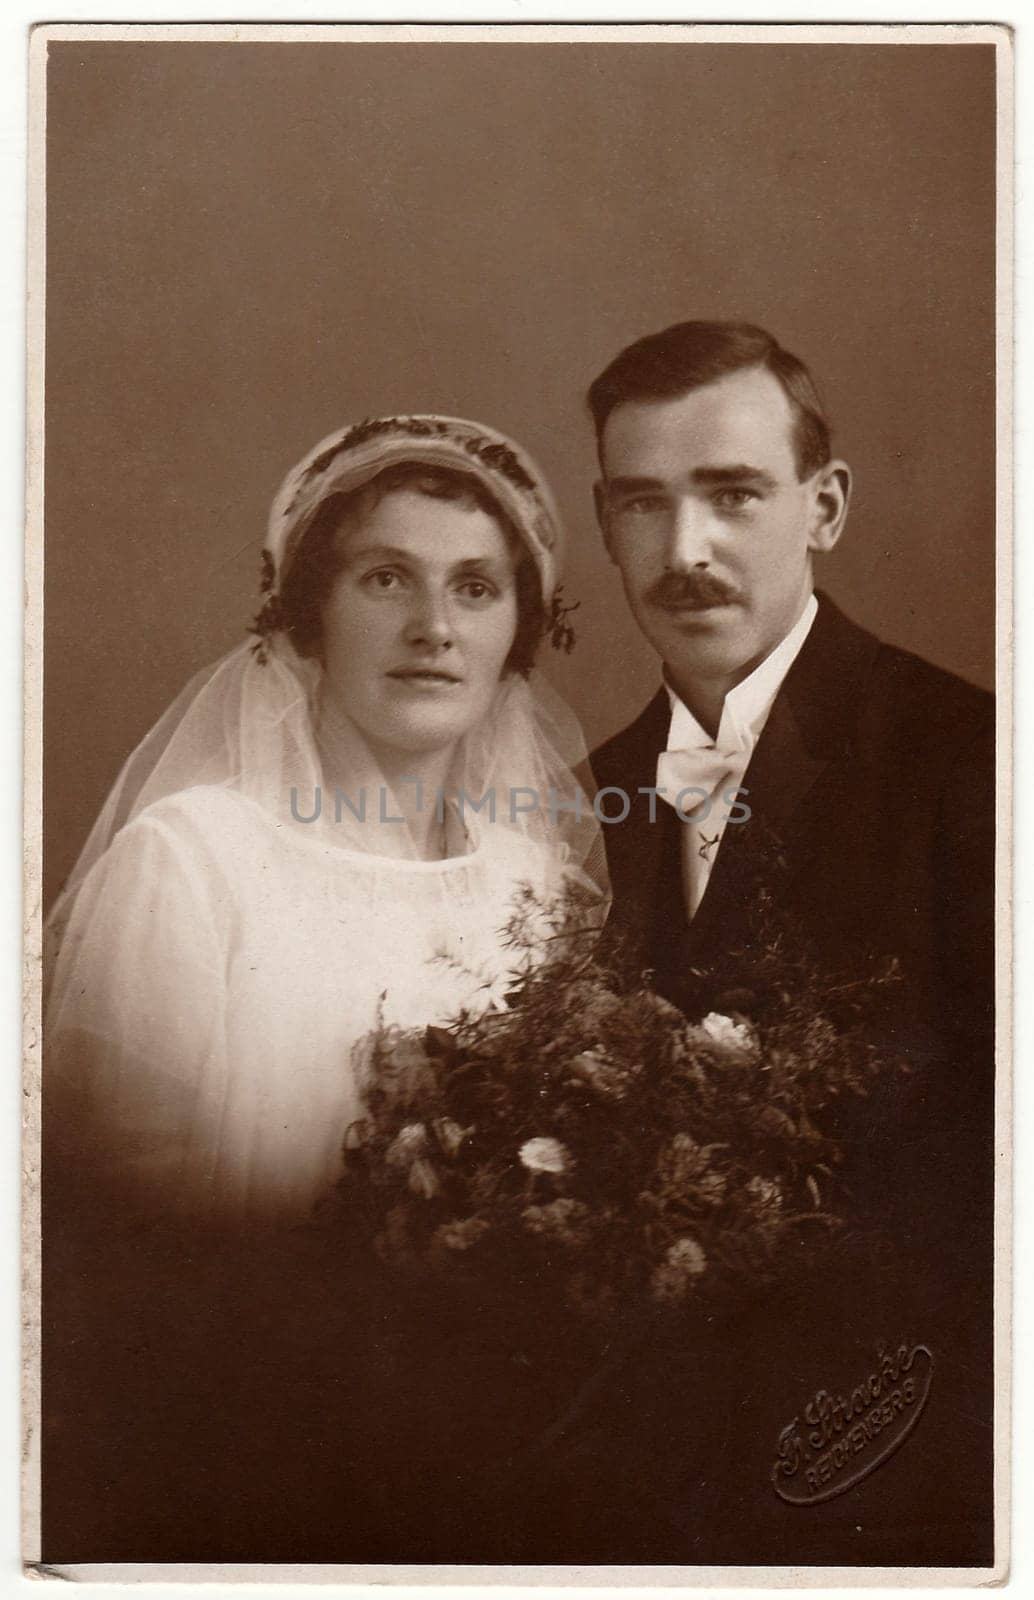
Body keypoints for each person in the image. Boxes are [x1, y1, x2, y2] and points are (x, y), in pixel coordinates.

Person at [41, 415, 607, 1559]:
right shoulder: (191, 861)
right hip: (242, 1462)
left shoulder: (533, 880)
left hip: (489, 1464)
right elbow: (113, 1257)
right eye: (385, 578)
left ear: (516, 633)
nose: (432, 629)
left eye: (476, 588)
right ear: (309, 613)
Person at [585, 321, 996, 1566]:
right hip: (638, 1489)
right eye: (641, 503)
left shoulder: (972, 761)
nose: (683, 550)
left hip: (922, 1477)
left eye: (732, 495)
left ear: (822, 507)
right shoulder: (574, 798)